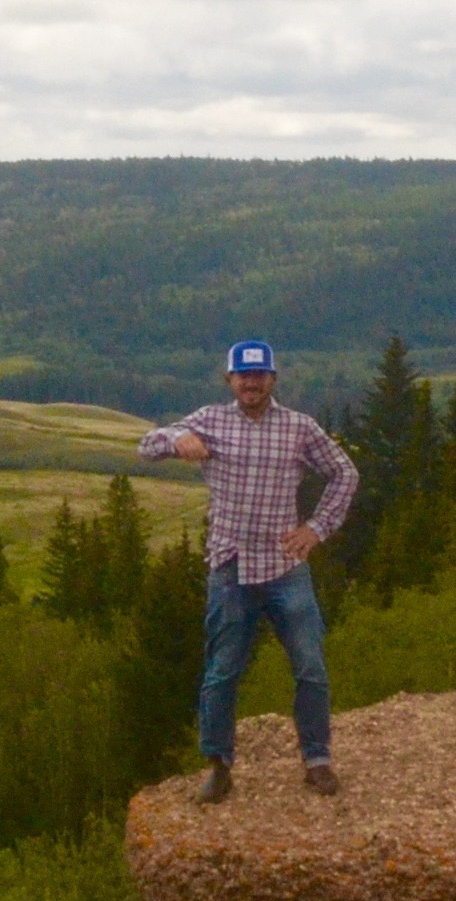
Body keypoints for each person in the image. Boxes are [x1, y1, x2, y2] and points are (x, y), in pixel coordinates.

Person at [140, 339, 358, 803]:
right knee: (222, 672)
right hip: (231, 567)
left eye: (259, 375)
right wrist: (176, 438)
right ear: (230, 380)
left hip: (285, 567)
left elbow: (345, 473)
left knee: (311, 667)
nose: (251, 382)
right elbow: (147, 445)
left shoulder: (300, 428)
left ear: (273, 379)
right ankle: (218, 766)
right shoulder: (210, 420)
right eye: (243, 374)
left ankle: (317, 759)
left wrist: (317, 528)